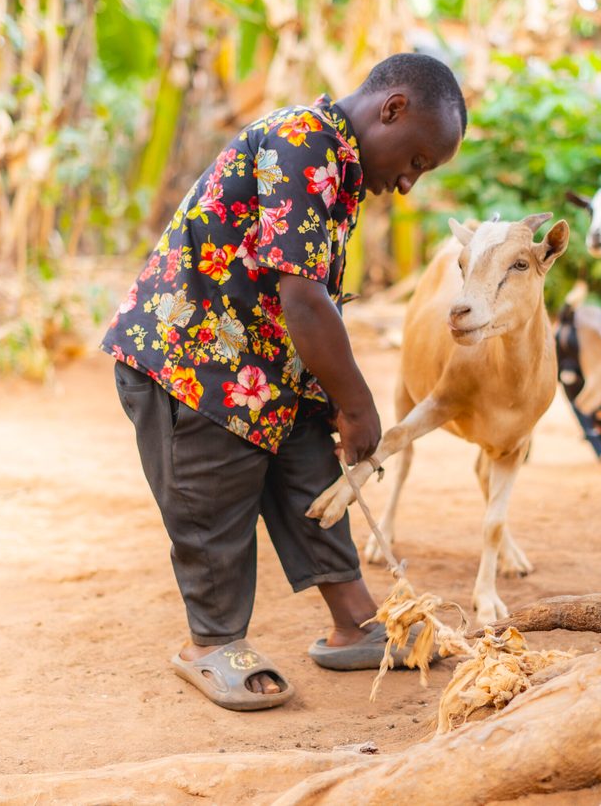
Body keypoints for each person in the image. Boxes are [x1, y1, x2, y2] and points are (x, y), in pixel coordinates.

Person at [102, 53, 466, 710]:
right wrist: (357, 403)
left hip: (262, 367)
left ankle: (354, 619)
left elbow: (302, 297)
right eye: (414, 160)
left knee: (311, 471)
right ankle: (210, 642)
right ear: (392, 109)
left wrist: (328, 400)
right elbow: (303, 298)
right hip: (196, 363)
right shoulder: (303, 144)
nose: (408, 182)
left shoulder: (337, 163)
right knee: (212, 496)